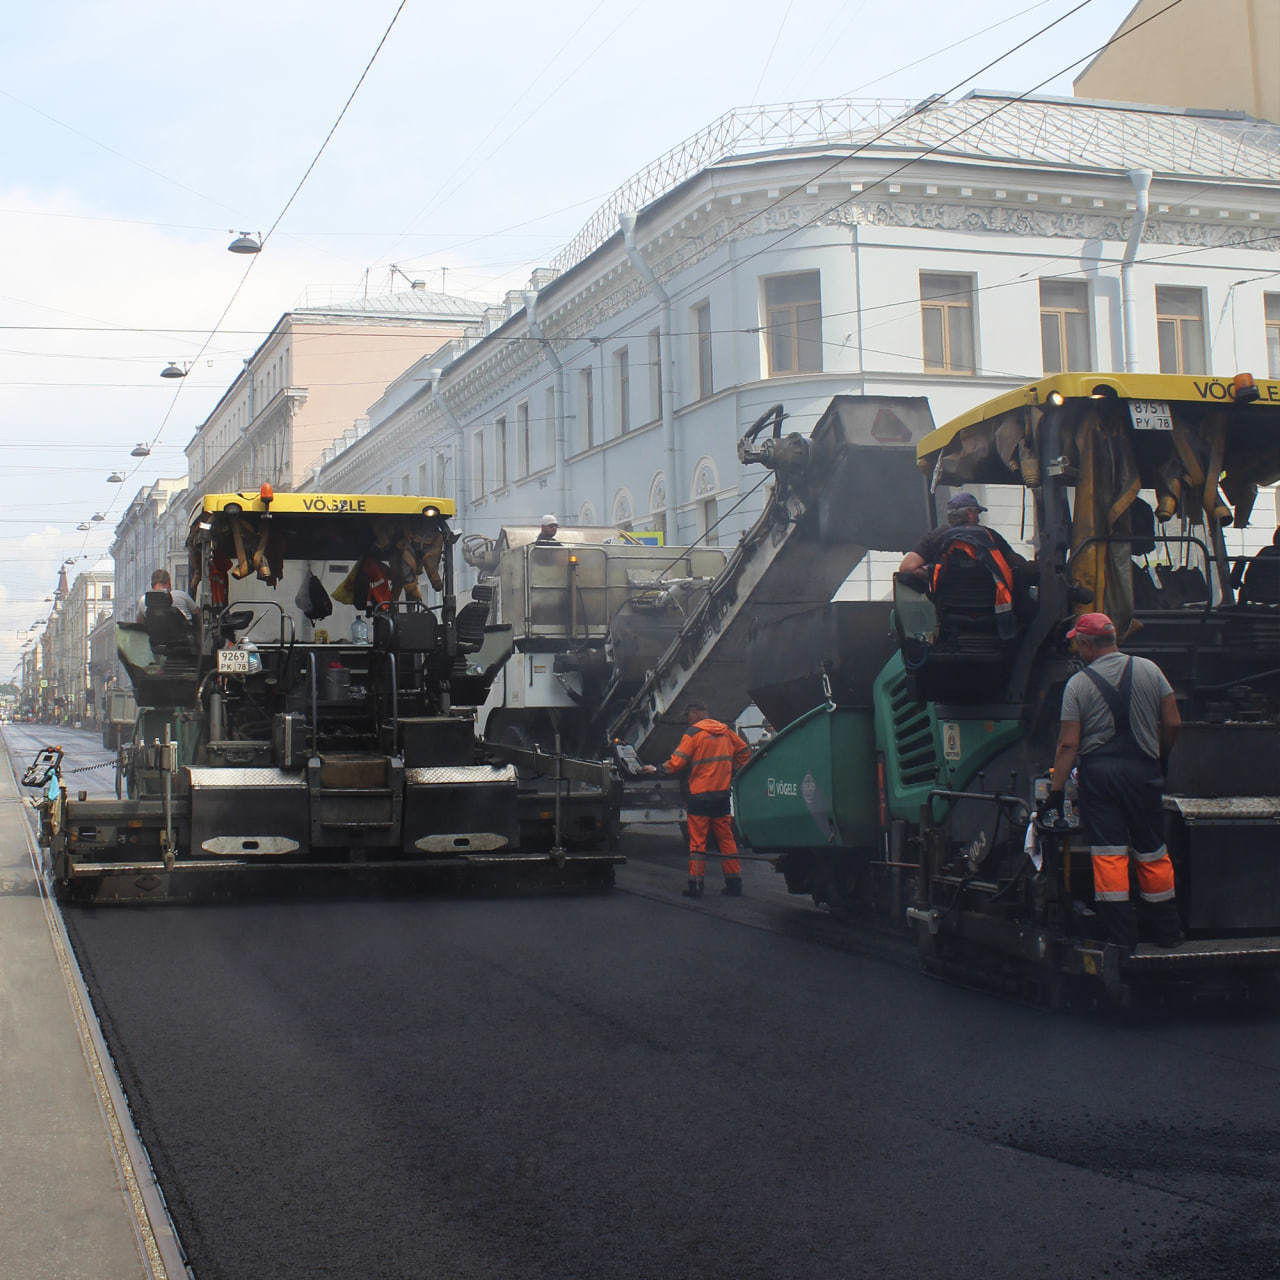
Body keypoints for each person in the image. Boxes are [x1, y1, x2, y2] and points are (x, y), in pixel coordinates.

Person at [1047, 611, 1183, 950]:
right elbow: (1173, 722)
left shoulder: (1077, 685)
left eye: (1078, 644)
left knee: (1109, 855)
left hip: (1101, 776)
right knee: (1152, 851)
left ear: (1087, 645)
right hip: (1144, 771)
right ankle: (1167, 933)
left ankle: (1123, 939)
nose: (1077, 650)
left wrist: (1056, 792)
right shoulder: (1151, 670)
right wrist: (1160, 758)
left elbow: (1068, 744)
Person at [642, 702, 751, 898]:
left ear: (696, 714)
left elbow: (677, 762)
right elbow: (744, 752)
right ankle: (734, 884)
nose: (687, 719)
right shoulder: (726, 732)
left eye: (688, 714)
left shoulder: (693, 733)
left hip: (699, 796)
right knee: (726, 839)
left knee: (698, 842)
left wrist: (656, 769)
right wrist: (734, 770)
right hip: (721, 795)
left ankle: (696, 885)